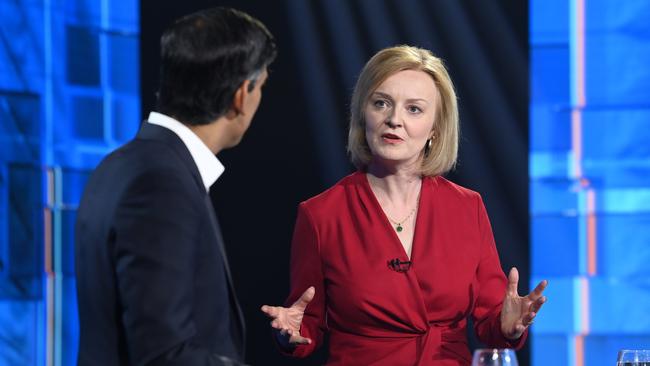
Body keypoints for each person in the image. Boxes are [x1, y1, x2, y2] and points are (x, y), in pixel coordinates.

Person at [261, 45, 547, 365]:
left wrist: (508, 327)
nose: (394, 119)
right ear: (362, 114)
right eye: (381, 103)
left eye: (414, 109)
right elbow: (306, 321)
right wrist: (291, 333)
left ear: (435, 129)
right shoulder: (321, 215)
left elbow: (492, 323)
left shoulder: (467, 208)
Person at [75, 7, 276, 366]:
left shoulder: (126, 164)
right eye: (261, 85)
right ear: (241, 95)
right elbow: (163, 354)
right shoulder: (160, 183)